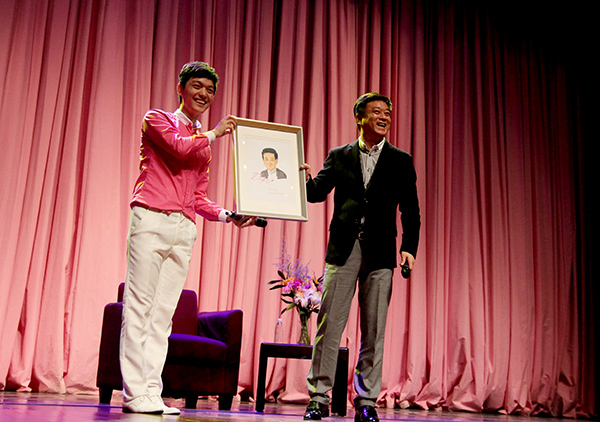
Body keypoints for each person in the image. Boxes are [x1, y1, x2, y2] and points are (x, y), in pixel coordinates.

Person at [119, 61, 257, 415]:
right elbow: (178, 147)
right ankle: (134, 393)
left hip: (183, 227)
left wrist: (228, 215)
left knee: (162, 315)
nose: (204, 94)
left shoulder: (203, 146)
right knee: (139, 308)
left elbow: (198, 197)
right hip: (151, 217)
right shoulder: (158, 119)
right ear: (180, 88)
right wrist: (214, 133)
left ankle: (152, 391)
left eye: (210, 90)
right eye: (197, 86)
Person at [300, 93, 421, 422]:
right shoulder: (340, 155)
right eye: (376, 111)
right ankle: (319, 398)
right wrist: (305, 178)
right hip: (343, 249)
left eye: (387, 113)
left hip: (381, 252)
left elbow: (410, 208)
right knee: (329, 325)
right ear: (360, 118)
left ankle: (366, 400)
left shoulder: (400, 160)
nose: (384, 117)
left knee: (374, 328)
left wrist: (409, 247)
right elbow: (316, 193)